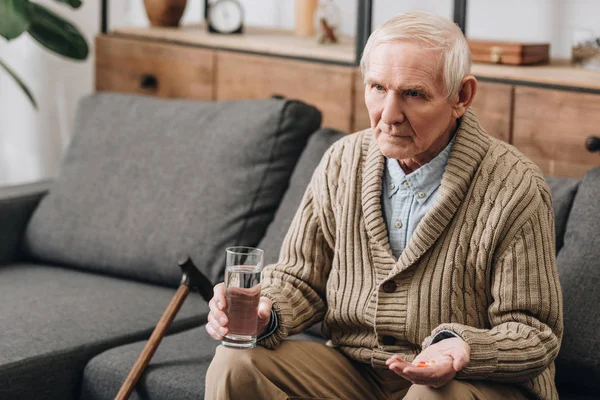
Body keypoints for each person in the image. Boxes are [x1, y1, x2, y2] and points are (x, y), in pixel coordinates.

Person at [204, 11, 563, 400]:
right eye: (377, 87)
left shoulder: (515, 186)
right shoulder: (342, 161)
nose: (389, 116)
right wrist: (266, 313)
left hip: (471, 383)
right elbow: (299, 278)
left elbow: (534, 333)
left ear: (461, 96)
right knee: (234, 362)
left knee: (429, 396)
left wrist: (463, 348)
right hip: (356, 371)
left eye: (413, 94)